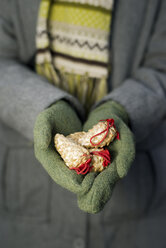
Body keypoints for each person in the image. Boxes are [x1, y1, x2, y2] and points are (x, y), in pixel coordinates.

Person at [0, 0, 166, 247]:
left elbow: (161, 64)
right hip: (27, 196)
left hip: (138, 208)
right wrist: (45, 106)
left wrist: (122, 108)